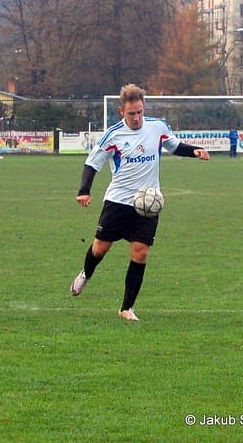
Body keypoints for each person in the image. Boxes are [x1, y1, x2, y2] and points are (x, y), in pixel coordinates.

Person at [71, 84, 210, 321]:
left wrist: (195, 151)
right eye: (131, 113)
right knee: (100, 248)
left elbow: (175, 146)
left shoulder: (157, 127)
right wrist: (84, 190)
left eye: (139, 112)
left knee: (140, 252)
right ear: (121, 111)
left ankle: (126, 308)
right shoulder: (113, 135)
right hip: (118, 201)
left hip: (148, 202)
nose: (136, 118)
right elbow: (92, 164)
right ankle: (86, 273)